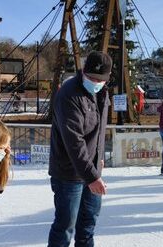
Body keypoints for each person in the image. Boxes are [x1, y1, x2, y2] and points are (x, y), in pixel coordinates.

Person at [48, 51, 112, 246]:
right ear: (83, 71)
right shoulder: (69, 94)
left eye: (99, 79)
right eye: (91, 77)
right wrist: (91, 176)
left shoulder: (102, 92)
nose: (95, 82)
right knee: (65, 227)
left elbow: (100, 129)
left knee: (88, 225)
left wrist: (99, 157)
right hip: (68, 174)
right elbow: (73, 141)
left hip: (92, 169)